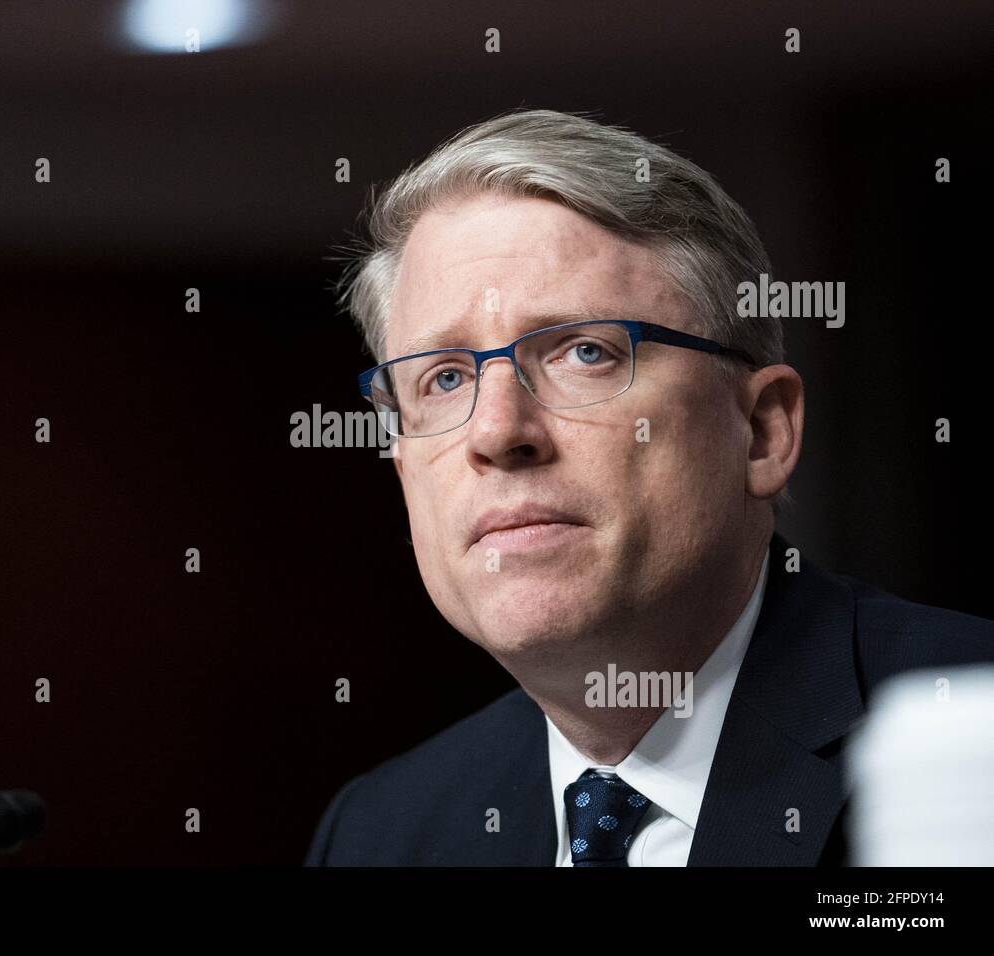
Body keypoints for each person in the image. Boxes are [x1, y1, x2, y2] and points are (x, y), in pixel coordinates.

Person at [304, 109, 994, 866]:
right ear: (403, 467)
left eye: (586, 352)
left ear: (762, 431)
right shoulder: (383, 834)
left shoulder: (966, 739)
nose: (498, 433)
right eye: (443, 377)